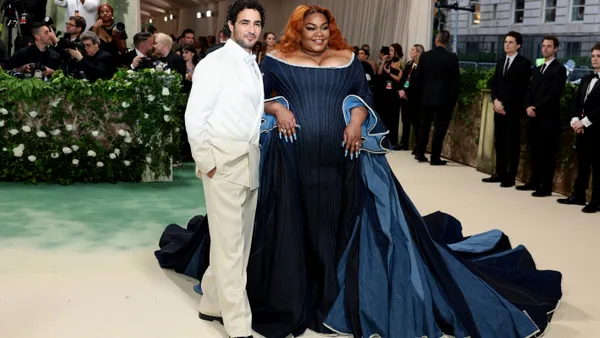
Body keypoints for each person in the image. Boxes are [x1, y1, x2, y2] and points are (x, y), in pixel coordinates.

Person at [156, 5, 562, 338]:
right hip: (289, 166)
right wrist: (277, 107)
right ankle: (244, 310)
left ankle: (314, 291)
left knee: (333, 226)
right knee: (261, 233)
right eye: (309, 27)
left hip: (341, 166)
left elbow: (362, 95)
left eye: (323, 27)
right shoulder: (271, 60)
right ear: (296, 29)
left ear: (331, 29)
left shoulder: (348, 59)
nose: (317, 33)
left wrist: (354, 120)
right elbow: (253, 101)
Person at [184, 1, 265, 337]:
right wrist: (209, 164)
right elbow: (194, 117)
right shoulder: (214, 63)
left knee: (235, 243)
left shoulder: (252, 63)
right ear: (230, 25)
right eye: (244, 22)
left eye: (257, 23)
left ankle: (212, 302)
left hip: (249, 162)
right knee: (231, 247)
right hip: (223, 164)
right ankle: (238, 325)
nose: (251, 29)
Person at [483, 31, 532, 187]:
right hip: (499, 109)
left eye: (510, 42)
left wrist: (504, 103)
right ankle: (499, 172)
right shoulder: (501, 60)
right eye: (505, 41)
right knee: (499, 141)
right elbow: (495, 83)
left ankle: (510, 176)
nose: (507, 44)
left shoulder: (523, 63)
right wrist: (496, 101)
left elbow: (521, 88)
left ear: (518, 45)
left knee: (512, 143)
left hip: (512, 110)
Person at [519, 36, 566, 197]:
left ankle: (545, 186)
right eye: (543, 46)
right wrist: (527, 106)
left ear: (555, 49)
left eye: (549, 46)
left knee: (547, 153)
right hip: (533, 117)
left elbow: (554, 94)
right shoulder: (537, 69)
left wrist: (536, 108)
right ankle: (533, 180)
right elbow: (529, 90)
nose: (545, 48)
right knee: (534, 151)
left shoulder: (559, 69)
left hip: (548, 118)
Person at [557, 43, 600, 213]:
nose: (595, 59)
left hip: (597, 130)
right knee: (582, 164)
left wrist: (585, 121)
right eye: (593, 56)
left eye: (598, 56)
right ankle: (578, 195)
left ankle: (596, 201)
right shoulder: (586, 78)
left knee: (597, 168)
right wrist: (575, 120)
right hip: (582, 129)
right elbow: (576, 101)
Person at [411, 31, 460, 165]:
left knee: (424, 126)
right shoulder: (452, 58)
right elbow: (455, 82)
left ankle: (420, 153)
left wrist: (423, 92)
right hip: (444, 99)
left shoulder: (425, 56)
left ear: (436, 40)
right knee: (440, 128)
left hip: (426, 97)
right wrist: (453, 99)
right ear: (447, 42)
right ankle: (435, 157)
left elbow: (418, 77)